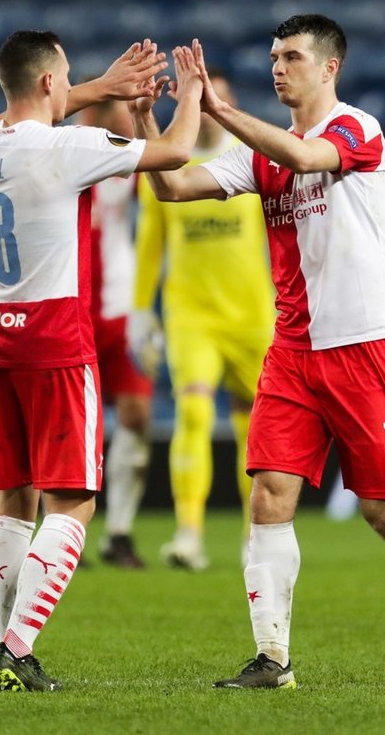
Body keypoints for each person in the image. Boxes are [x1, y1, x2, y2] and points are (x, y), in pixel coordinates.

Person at [130, 16, 385, 689]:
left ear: (329, 68)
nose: (278, 67)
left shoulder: (357, 130)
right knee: (268, 495)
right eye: (273, 57)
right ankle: (273, 659)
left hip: (364, 347)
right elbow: (171, 187)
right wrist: (149, 120)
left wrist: (219, 107)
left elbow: (306, 159)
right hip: (292, 350)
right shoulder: (260, 153)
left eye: (291, 57)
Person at [0, 31, 203, 691]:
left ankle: (4, 644)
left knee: (13, 500)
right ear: (48, 83)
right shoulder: (67, 149)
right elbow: (178, 152)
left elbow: (47, 105)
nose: (73, 86)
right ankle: (18, 648)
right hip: (55, 341)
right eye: (66, 76)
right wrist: (195, 95)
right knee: (72, 504)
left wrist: (104, 84)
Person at [130, 67, 276, 571]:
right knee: (192, 413)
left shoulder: (251, 165)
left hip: (253, 315)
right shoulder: (170, 166)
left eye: (222, 100)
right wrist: (139, 310)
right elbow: (149, 247)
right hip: (191, 315)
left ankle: (251, 536)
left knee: (253, 431)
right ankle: (188, 533)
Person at [76, 98, 153, 569]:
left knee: (137, 415)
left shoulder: (125, 158)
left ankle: (119, 531)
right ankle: (69, 530)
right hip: (74, 306)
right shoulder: (62, 152)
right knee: (71, 421)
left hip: (121, 306)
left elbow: (163, 184)